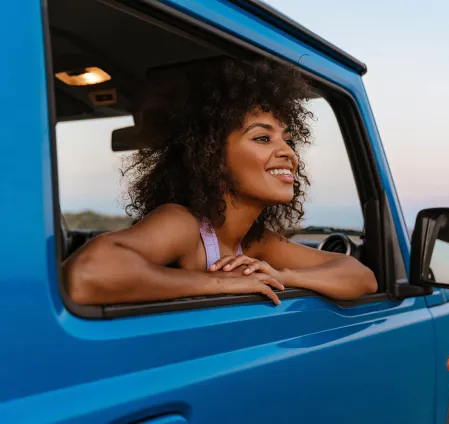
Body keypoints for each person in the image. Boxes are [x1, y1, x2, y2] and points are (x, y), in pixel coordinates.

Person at [63, 57, 377, 306]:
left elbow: (360, 276)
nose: (288, 153)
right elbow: (86, 273)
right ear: (212, 156)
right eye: (263, 137)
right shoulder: (183, 224)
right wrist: (221, 283)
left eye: (288, 140)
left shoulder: (255, 243)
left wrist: (285, 276)